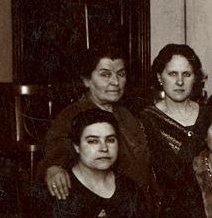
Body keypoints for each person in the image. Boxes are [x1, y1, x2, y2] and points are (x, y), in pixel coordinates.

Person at [38, 46, 151, 200]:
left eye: (121, 74)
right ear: (86, 80)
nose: (115, 82)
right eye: (105, 75)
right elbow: (57, 151)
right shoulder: (72, 115)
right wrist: (54, 168)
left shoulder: (128, 114)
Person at [140, 44, 207, 200]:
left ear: (195, 77)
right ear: (159, 77)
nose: (179, 82)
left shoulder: (209, 116)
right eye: (172, 74)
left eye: (186, 74)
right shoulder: (146, 119)